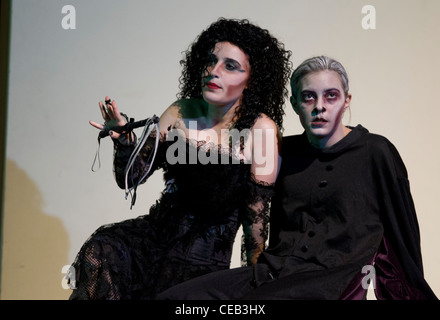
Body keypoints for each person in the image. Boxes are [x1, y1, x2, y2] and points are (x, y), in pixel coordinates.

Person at [157, 56, 438, 300]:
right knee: (177, 298)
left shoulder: (376, 152)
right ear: (294, 103)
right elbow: (235, 187)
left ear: (346, 101)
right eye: (308, 97)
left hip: (330, 285)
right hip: (270, 274)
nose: (319, 106)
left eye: (331, 96)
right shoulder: (283, 150)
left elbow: (402, 238)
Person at [68, 18, 292, 300]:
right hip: (149, 244)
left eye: (230, 66)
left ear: (252, 81)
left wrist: (254, 283)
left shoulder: (262, 132)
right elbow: (131, 177)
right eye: (211, 61)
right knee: (100, 251)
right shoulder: (180, 111)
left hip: (201, 266)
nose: (213, 71)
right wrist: (125, 141)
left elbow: (255, 222)